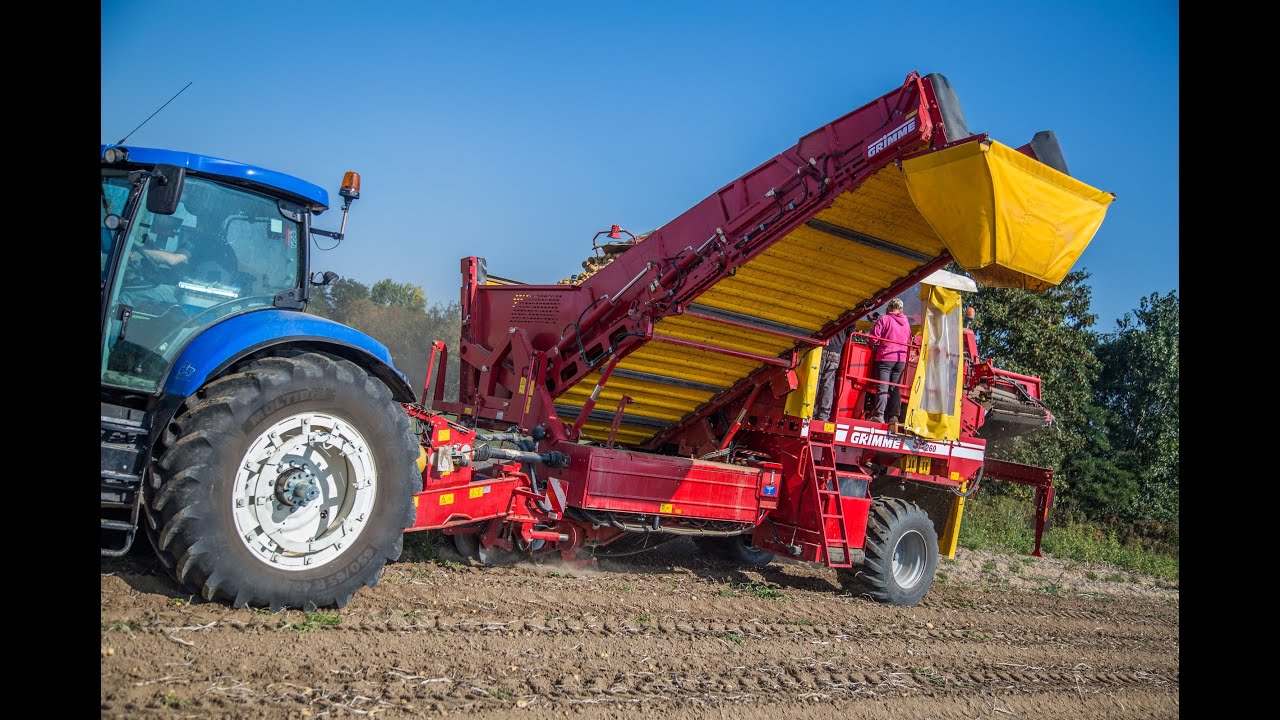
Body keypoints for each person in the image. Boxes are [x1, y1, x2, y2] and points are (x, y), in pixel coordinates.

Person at [868, 297, 912, 424]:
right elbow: (909, 339)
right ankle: (893, 417)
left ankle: (880, 415)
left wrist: (874, 345)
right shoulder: (906, 322)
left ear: (890, 308)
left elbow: (873, 339)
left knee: (882, 387)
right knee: (894, 389)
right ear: (901, 309)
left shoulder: (885, 319)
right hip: (901, 359)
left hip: (886, 357)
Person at [813, 324, 852, 422]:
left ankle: (810, 411)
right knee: (828, 384)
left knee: (815, 381)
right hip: (836, 352)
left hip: (821, 348)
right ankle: (824, 415)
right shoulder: (852, 313)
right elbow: (850, 334)